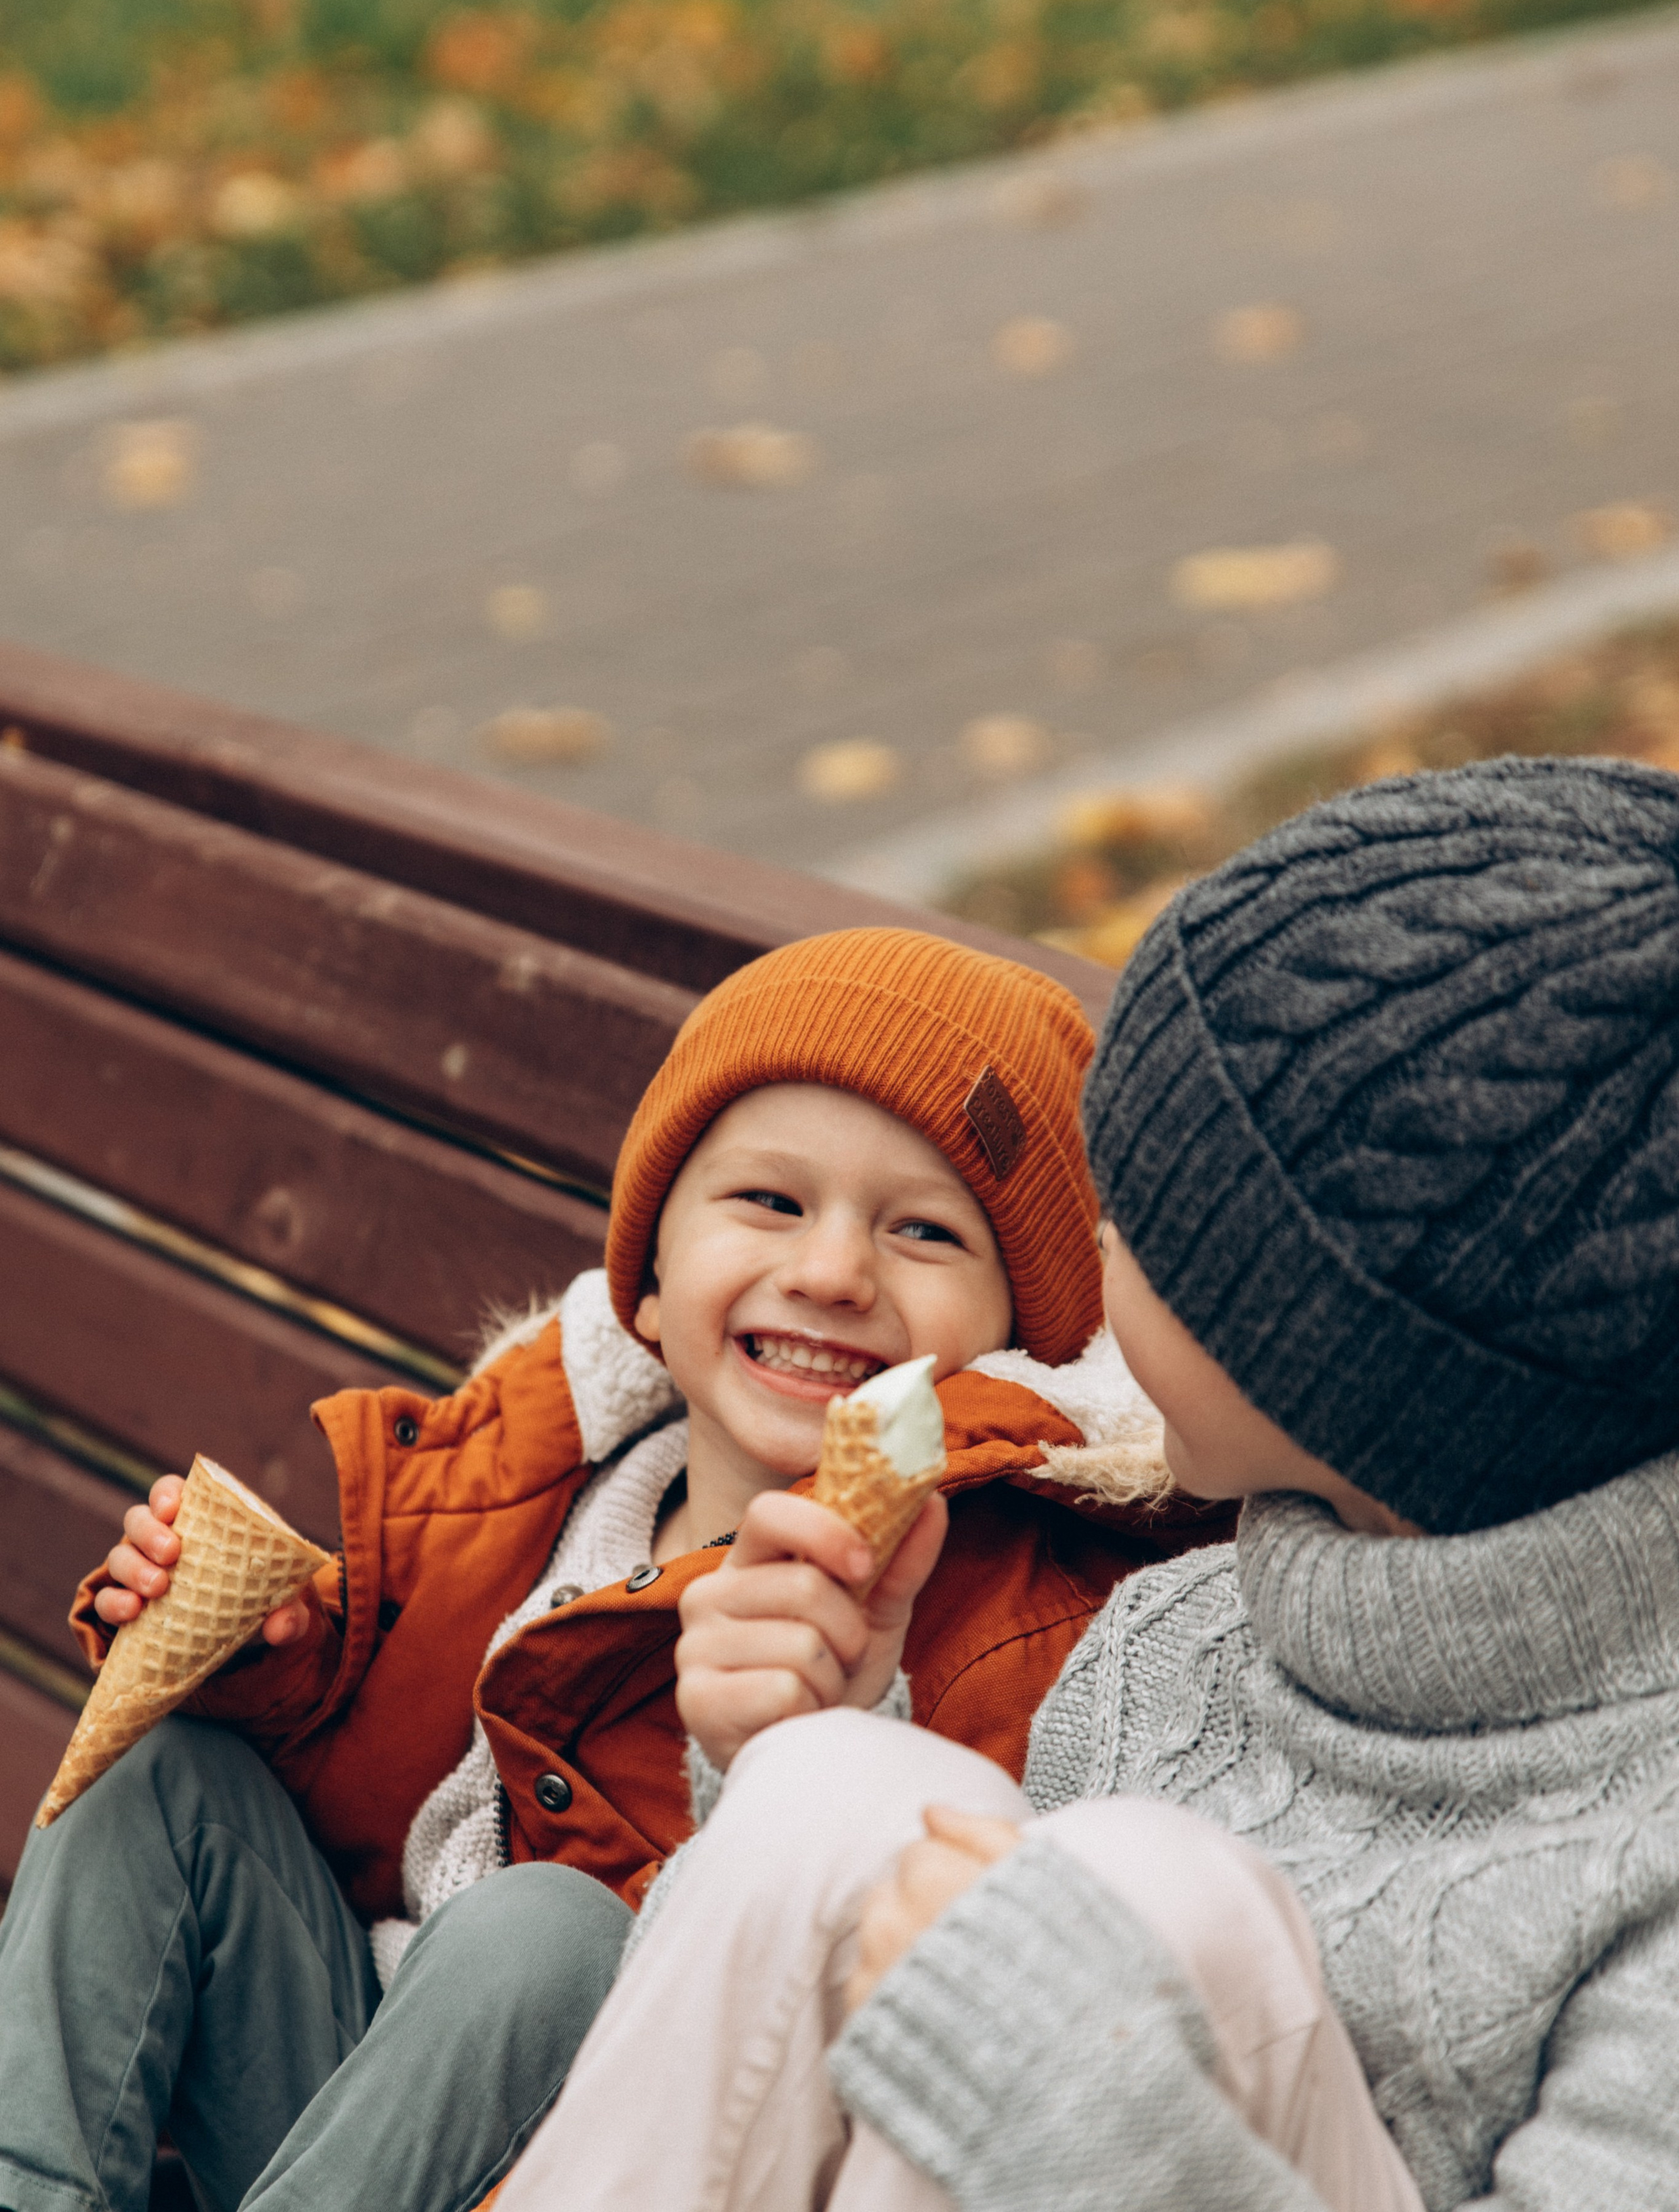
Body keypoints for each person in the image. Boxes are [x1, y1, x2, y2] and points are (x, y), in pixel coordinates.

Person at [500, 758, 1679, 2212]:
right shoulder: (1174, 1647)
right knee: (833, 1788)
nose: (1095, 1249)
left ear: (1330, 1354)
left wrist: (1102, 2130)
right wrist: (785, 1757)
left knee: (1154, 1894)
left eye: (1149, 1225)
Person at [0, 926, 1226, 2212]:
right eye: (768, 1201)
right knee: (165, 1778)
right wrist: (266, 1666)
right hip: (353, 2119)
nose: (829, 1272)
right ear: (646, 1281)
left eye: (923, 1232)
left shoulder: (1004, 1628)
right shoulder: (521, 1489)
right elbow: (363, 1809)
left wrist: (834, 1741)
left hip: (611, 2165)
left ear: (1011, 1346)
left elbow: (922, 2004)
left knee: (547, 1935)